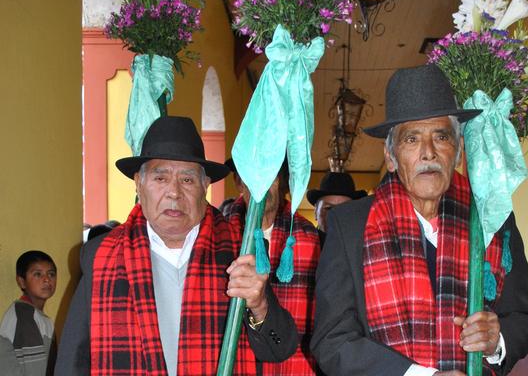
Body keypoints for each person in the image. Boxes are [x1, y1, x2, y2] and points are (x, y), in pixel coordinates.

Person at [310, 65, 528, 376]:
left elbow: (521, 321)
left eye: (441, 136)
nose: (427, 153)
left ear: (456, 152)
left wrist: (497, 341)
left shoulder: (492, 218)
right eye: (412, 139)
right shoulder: (350, 225)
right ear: (391, 157)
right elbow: (332, 341)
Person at [55, 116, 298, 375]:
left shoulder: (241, 251)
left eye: (187, 180)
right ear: (139, 183)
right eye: (160, 178)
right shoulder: (102, 256)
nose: (174, 192)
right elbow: (73, 360)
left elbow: (279, 350)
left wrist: (260, 304)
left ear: (205, 185)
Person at [226, 160, 321, 375]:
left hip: (296, 365)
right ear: (239, 183)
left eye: (271, 175)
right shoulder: (219, 236)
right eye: (252, 177)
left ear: (282, 182)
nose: (262, 183)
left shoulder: (314, 241)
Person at [0, 250, 57, 375]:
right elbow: (36, 371)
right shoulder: (24, 316)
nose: (47, 279)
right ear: (21, 281)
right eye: (37, 274)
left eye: (51, 274)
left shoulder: (37, 316)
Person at [306, 171, 367, 243]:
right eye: (328, 208)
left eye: (344, 208)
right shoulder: (304, 244)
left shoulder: (365, 244)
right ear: (316, 212)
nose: (336, 215)